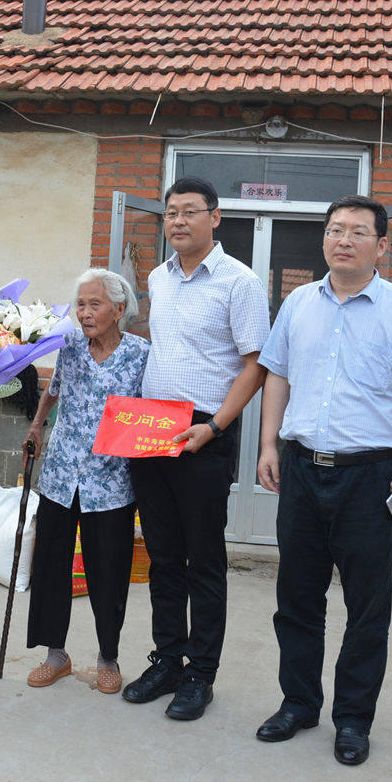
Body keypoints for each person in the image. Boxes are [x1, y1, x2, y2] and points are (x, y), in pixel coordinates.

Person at [255, 194, 392, 765]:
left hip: (372, 478)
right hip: (304, 469)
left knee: (367, 607)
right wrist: (269, 444)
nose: (344, 239)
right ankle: (299, 702)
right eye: (335, 229)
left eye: (358, 231)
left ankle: (353, 719)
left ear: (381, 245)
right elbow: (278, 376)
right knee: (297, 598)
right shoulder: (297, 304)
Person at [121, 176, 270, 721]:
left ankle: (201, 673)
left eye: (189, 212)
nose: (178, 222)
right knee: (161, 555)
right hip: (151, 428)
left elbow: (256, 363)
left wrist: (218, 426)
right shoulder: (158, 278)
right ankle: (167, 658)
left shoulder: (240, 282)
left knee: (203, 559)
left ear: (216, 217)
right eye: (170, 213)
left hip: (205, 430)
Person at [23, 268, 149, 694]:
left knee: (109, 572)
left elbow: (151, 413)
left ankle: (108, 658)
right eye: (80, 304)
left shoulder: (140, 354)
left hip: (111, 481)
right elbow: (52, 390)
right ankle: (55, 655)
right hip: (61, 475)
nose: (85, 312)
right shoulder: (71, 346)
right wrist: (38, 425)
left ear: (118, 309)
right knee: (51, 566)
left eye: (95, 304)